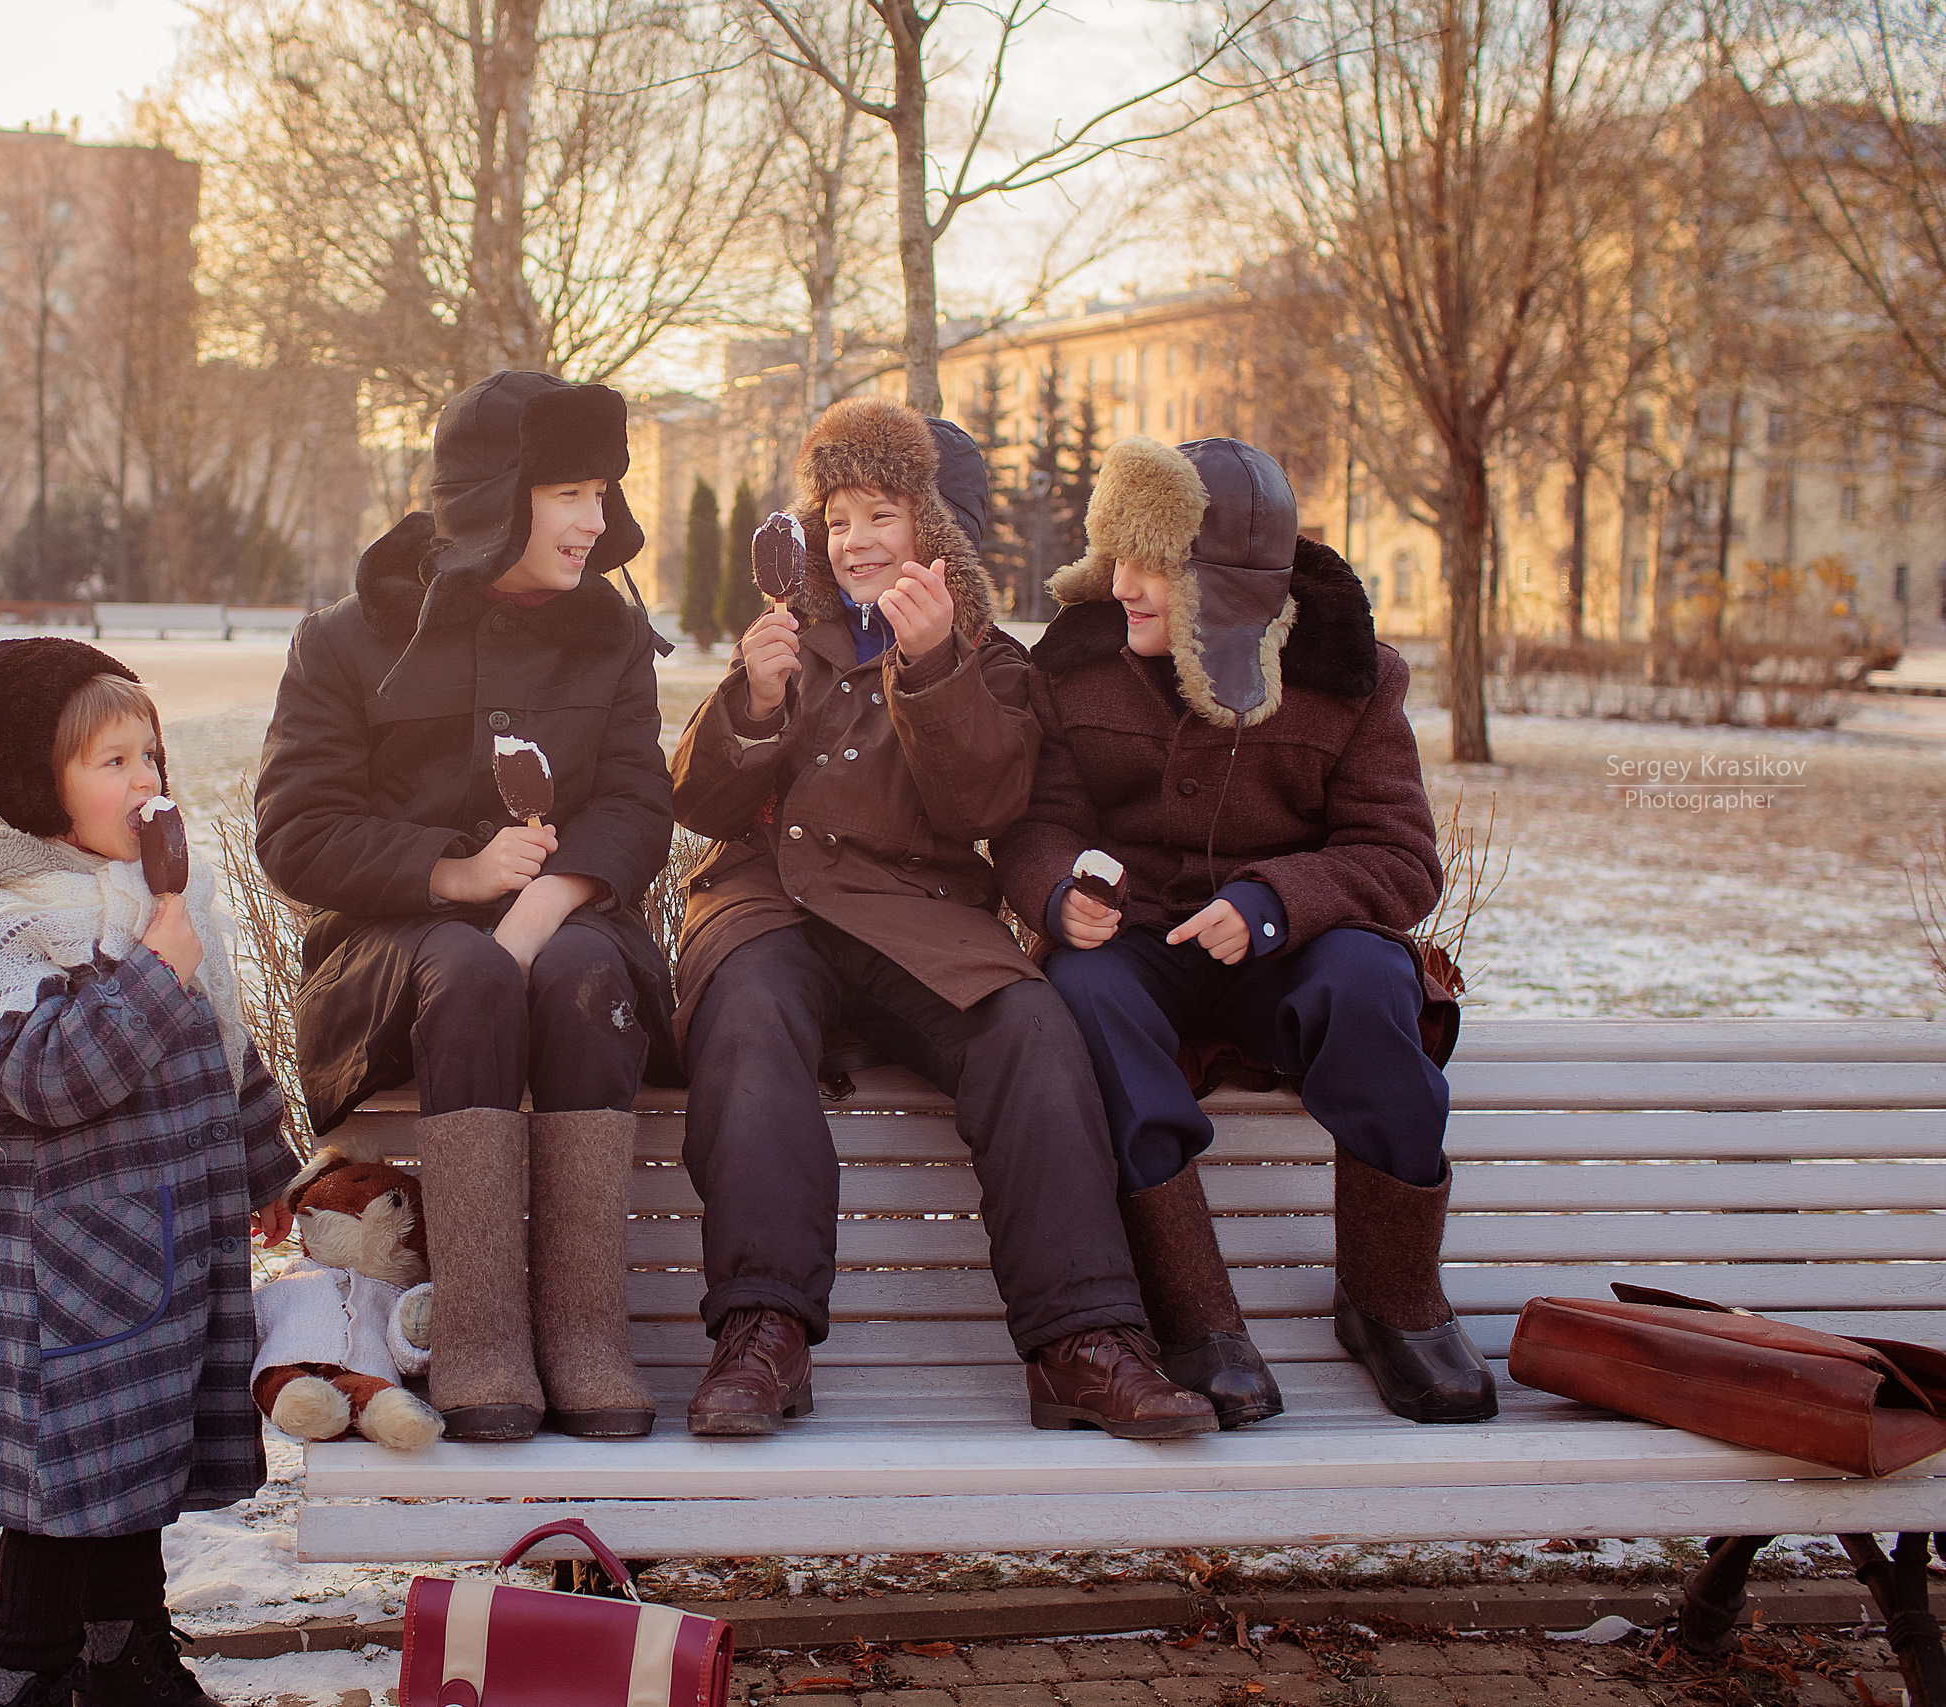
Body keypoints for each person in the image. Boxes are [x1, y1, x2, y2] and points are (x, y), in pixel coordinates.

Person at [666, 396, 1216, 1442]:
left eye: (882, 512)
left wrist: (930, 672)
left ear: (940, 532)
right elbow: (695, 804)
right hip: (769, 901)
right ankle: (762, 1334)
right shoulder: (795, 634)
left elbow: (986, 810)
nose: (855, 540)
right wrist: (753, 699)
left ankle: (1081, 1340)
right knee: (747, 1017)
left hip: (917, 915)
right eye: (836, 518)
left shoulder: (999, 664)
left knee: (1032, 1028)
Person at [995, 434, 1492, 1429]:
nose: (1121, 585)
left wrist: (1274, 903)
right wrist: (1057, 893)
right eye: (1115, 555)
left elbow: (1399, 861)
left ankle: (1393, 1301)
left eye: (1152, 565)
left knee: (1369, 983)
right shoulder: (1079, 666)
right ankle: (1199, 1320)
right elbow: (1035, 826)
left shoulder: (1348, 675)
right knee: (1082, 997)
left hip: (1295, 951)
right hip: (1137, 947)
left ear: (1222, 583)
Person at [254, 371, 677, 1443]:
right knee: (473, 967)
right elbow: (295, 830)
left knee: (582, 974)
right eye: (569, 492)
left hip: (568, 926)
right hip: (392, 954)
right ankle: (482, 1332)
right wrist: (454, 874)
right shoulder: (347, 639)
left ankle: (585, 1333)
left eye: (602, 491)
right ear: (498, 495)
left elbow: (635, 801)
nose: (596, 520)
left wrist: (543, 906)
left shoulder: (613, 637)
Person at [0, 637, 296, 1707]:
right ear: (42, 785)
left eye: (150, 756)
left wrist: (265, 1165)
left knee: (138, 1474)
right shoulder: (1, 928)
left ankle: (127, 1653)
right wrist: (150, 970)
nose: (145, 782)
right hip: (66, 1273)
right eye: (111, 762)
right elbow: (47, 1079)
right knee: (60, 1493)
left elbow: (222, 1045)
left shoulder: (153, 903)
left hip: (165, 1245)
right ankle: (28, 1669)